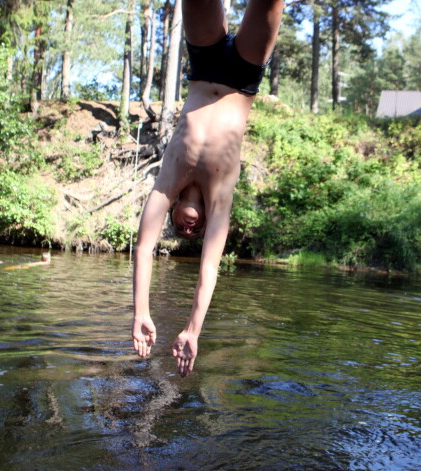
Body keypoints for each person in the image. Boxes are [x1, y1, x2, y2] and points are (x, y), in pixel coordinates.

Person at [132, 0, 284, 377]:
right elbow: (209, 270)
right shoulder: (219, 205)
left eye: (181, 229)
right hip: (244, 77)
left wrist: (141, 313)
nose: (188, 230)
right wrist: (192, 331)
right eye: (192, 232)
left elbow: (144, 248)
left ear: (171, 213)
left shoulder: (166, 186)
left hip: (204, 67)